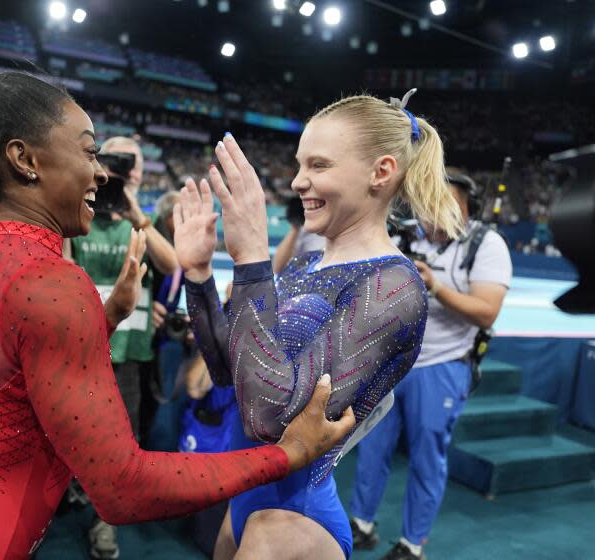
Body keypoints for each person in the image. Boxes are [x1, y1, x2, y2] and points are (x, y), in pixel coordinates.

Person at [0, 28, 355, 560]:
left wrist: (105, 317)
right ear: (24, 159)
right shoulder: (51, 282)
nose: (101, 173)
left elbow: (7, 375)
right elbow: (124, 488)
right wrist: (288, 454)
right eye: (88, 151)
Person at [175, 91, 463, 559]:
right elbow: (233, 373)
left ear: (381, 172)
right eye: (299, 164)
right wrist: (199, 276)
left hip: (293, 515)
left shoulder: (391, 287)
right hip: (250, 494)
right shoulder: (306, 264)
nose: (298, 181)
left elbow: (269, 418)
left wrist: (252, 260)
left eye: (318, 166)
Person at [349, 170, 512, 560]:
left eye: (440, 201)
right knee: (371, 447)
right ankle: (362, 523)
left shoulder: (486, 245)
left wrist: (435, 287)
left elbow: (487, 312)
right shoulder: (408, 237)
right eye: (425, 201)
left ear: (463, 204)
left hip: (442, 365)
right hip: (393, 362)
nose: (429, 212)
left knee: (427, 458)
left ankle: (412, 544)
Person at [67, 136, 178, 559]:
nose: (118, 168)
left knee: (121, 442)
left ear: (138, 171)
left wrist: (134, 210)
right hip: (82, 350)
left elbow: (172, 265)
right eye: (109, 158)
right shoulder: (80, 212)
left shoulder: (141, 221)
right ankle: (72, 491)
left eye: (126, 161)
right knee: (70, 433)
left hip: (129, 356)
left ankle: (104, 523)